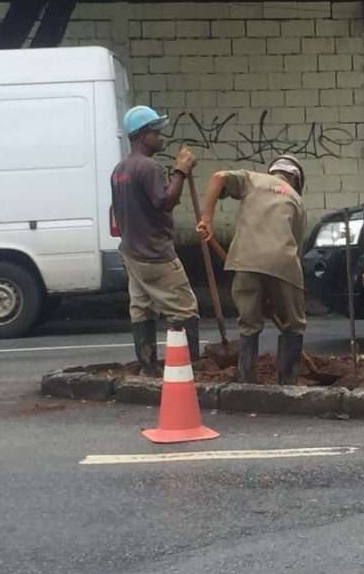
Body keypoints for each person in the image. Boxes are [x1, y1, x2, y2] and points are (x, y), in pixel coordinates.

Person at [196, 155, 307, 385]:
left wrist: (207, 218)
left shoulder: (253, 180)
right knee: (293, 324)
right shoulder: (296, 199)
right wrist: (277, 296)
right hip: (282, 264)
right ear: (295, 179)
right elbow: (296, 248)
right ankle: (288, 380)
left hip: (245, 261)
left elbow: (218, 177)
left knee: (249, 322)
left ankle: (247, 379)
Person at [111, 105, 200, 375]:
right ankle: (188, 370)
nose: (162, 136)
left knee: (142, 309)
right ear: (141, 135)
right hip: (155, 253)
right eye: (156, 131)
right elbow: (165, 202)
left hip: (131, 251)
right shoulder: (149, 167)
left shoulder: (119, 169)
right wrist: (180, 171)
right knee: (184, 309)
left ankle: (148, 367)